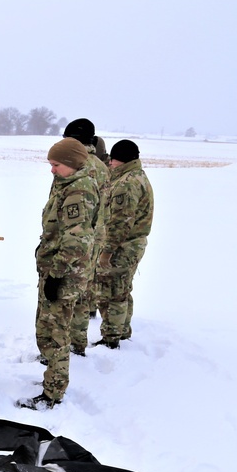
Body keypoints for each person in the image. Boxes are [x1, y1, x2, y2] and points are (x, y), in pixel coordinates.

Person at [18, 138, 97, 411]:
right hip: (56, 269)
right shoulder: (67, 184)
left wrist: (56, 274)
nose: (52, 170)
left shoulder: (78, 192)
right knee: (48, 329)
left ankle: (52, 393)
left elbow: (77, 241)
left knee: (56, 334)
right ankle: (51, 379)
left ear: (72, 164)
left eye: (56, 165)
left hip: (63, 274)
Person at [94, 139, 154, 348]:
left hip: (122, 246)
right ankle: (122, 331)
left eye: (113, 159)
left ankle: (111, 338)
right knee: (122, 289)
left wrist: (106, 252)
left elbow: (120, 223)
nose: (110, 163)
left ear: (121, 160)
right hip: (133, 244)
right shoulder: (138, 176)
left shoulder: (126, 184)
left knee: (110, 292)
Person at [62, 118, 110, 356]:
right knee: (83, 289)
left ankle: (64, 346)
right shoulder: (102, 166)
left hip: (76, 237)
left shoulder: (76, 163)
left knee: (67, 291)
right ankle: (77, 342)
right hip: (96, 237)